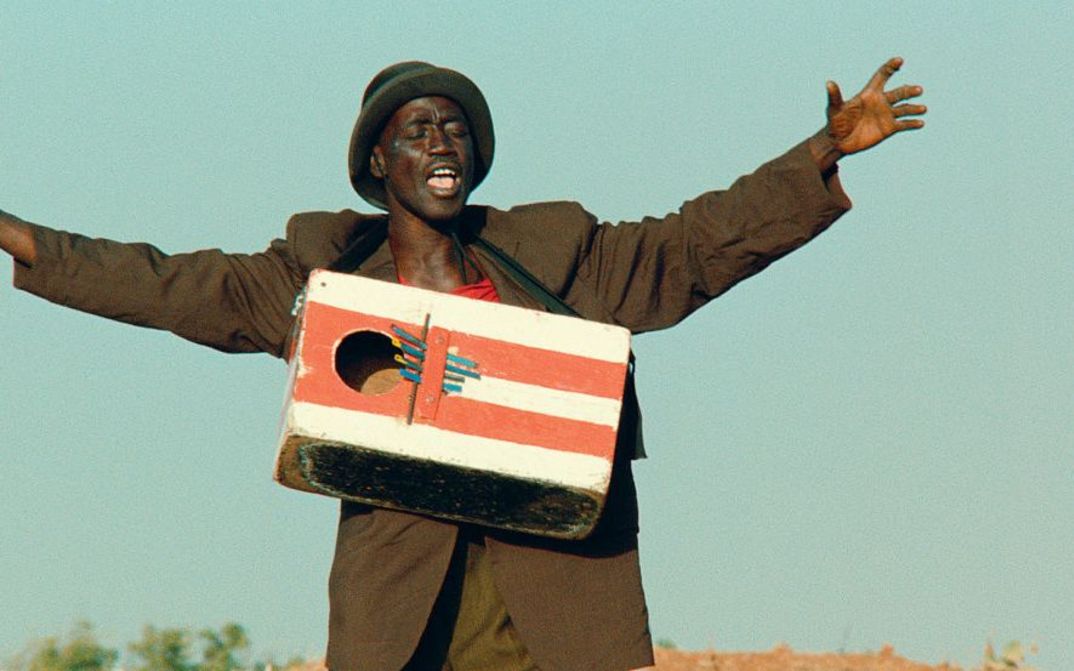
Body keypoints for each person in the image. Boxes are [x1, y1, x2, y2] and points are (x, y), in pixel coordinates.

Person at [1, 58, 925, 671]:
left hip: (562, 598)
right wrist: (15, 236)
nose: (441, 141)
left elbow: (696, 245)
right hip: (407, 615)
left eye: (454, 127)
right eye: (417, 130)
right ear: (378, 163)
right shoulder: (325, 275)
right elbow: (166, 282)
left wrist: (821, 151)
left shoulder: (560, 255)